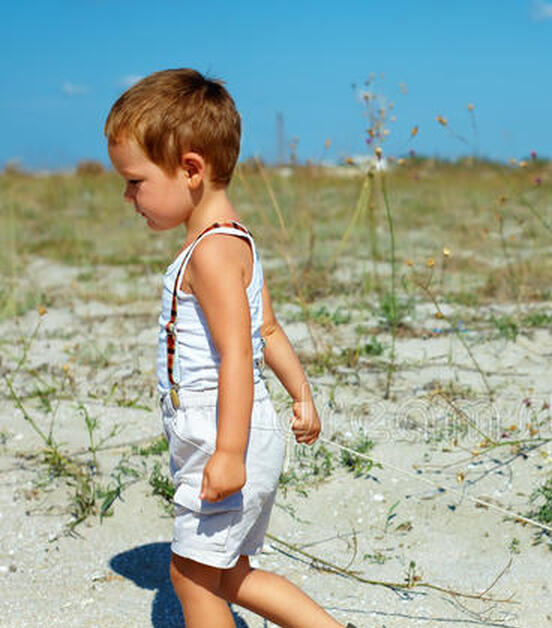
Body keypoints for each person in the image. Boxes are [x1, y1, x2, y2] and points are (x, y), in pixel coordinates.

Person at [105, 68, 345, 628]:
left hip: (225, 434)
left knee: (190, 577)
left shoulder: (211, 254)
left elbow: (238, 354)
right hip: (232, 432)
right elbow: (270, 330)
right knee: (229, 572)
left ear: (191, 169)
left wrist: (230, 453)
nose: (127, 195)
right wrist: (301, 394)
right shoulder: (233, 242)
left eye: (135, 181)